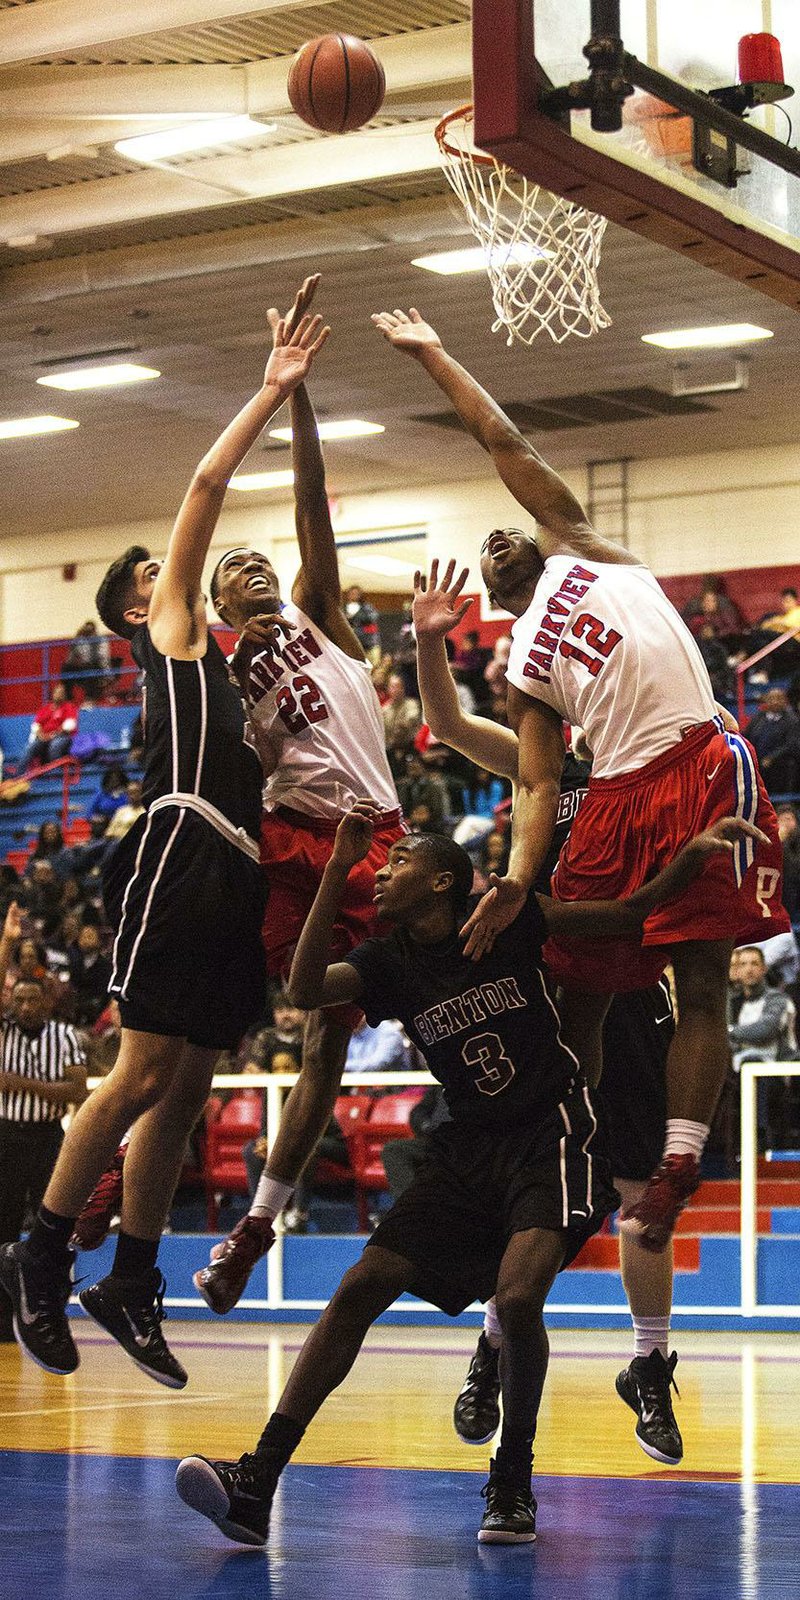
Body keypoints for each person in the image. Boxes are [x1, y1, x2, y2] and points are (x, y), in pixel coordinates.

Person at [175, 802, 761, 1547]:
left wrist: (692, 858)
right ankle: (256, 1482)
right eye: (379, 868)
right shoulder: (387, 961)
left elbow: (629, 912)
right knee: (359, 1287)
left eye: (398, 864)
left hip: (553, 1131)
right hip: (467, 1147)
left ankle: (513, 1483)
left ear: (444, 879)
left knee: (518, 1301)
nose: (381, 875)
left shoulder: (507, 917)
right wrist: (333, 870)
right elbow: (302, 989)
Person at [372, 306, 790, 1254]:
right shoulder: (522, 663)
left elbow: (500, 437)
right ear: (490, 591)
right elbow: (533, 778)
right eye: (488, 551)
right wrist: (519, 875)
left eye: (508, 532)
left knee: (700, 983)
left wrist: (433, 354)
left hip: (691, 757)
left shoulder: (583, 546)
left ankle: (680, 1160)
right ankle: (570, 1142)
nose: (502, 541)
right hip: (611, 798)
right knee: (575, 992)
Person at [0, 276, 329, 1386]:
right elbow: (203, 481)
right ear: (142, 605)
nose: (171, 568)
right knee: (140, 1071)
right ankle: (40, 1251)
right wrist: (272, 386)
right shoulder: (174, 632)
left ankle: (130, 1274)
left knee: (187, 1084)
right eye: (154, 572)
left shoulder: (229, 677)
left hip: (233, 869)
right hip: (180, 853)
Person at [412, 562, 683, 1463]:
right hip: (551, 996)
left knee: (644, 1194)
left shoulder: (654, 763)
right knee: (537, 1193)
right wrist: (427, 640)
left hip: (634, 987)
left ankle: (649, 1365)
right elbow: (446, 723)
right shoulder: (546, 763)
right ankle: (495, 1339)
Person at [194, 324, 406, 1315]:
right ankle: (250, 1229)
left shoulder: (322, 611)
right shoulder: (219, 674)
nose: (253, 565)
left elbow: (309, 504)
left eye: (256, 558)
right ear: (219, 603)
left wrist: (296, 396)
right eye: (233, 565)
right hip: (296, 849)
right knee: (318, 1046)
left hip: (386, 843)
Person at [0, 903, 87, 1342]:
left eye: (32, 997)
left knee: (52, 1231)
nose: (24, 1004)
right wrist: (8, 943)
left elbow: (75, 1091)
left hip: (48, 1139)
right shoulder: (4, 1031)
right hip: (6, 1137)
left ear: (46, 1001)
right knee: (2, 1226)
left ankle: (52, 1311)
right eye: (18, 998)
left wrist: (15, 1082)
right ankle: (3, 1320)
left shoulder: (65, 1035)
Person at [744, 689, 800, 798]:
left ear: (785, 701)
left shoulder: (792, 720)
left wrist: (771, 758)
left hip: (782, 767)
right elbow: (747, 736)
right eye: (771, 699)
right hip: (757, 764)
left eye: (778, 699)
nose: (775, 702)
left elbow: (791, 744)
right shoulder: (758, 718)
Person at [22, 683, 78, 771]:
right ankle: (19, 776)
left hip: (62, 736)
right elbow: (36, 725)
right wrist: (41, 735)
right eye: (57, 692)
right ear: (53, 694)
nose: (59, 695)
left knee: (55, 745)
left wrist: (52, 735)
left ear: (64, 695)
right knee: (30, 747)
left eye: (61, 693)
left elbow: (69, 725)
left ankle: (56, 773)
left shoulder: (69, 707)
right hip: (44, 737)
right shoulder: (45, 708)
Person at [61, 620, 111, 703]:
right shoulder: (80, 640)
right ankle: (68, 697)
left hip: (97, 666)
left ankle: (89, 698)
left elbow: (104, 657)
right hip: (83, 666)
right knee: (66, 668)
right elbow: (70, 659)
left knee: (89, 668)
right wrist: (76, 638)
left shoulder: (101, 640)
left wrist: (107, 674)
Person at [343, 585, 381, 662]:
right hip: (350, 645)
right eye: (351, 593)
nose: (353, 595)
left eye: (356, 593)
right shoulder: (343, 608)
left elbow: (373, 618)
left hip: (367, 644)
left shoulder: (367, 608)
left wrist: (353, 618)